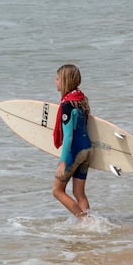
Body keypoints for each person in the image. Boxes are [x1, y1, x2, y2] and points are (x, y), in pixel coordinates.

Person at [52, 64, 92, 218]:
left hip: (75, 151)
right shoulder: (81, 100)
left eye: (57, 79)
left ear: (65, 81)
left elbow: (68, 136)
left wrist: (63, 162)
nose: (55, 82)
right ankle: (90, 222)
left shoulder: (67, 105)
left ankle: (84, 220)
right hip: (87, 149)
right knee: (78, 192)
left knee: (57, 190)